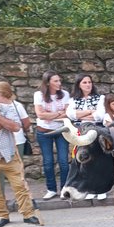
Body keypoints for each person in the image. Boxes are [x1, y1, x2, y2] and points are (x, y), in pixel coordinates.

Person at [0, 84, 41, 227]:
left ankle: (28, 214)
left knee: (20, 186)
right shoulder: (5, 112)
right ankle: (2, 215)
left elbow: (16, 127)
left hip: (10, 155)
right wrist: (3, 122)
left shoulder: (7, 108)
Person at [66, 74, 106, 200]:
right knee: (84, 161)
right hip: (80, 133)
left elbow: (99, 116)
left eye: (89, 82)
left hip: (96, 131)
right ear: (79, 84)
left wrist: (80, 115)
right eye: (85, 82)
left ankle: (101, 189)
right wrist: (90, 112)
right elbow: (71, 115)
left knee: (99, 160)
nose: (88, 84)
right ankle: (89, 188)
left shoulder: (100, 98)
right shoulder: (73, 100)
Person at [34, 70, 70, 200]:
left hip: (61, 130)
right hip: (44, 130)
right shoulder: (39, 95)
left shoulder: (64, 94)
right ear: (47, 82)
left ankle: (65, 189)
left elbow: (68, 113)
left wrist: (50, 114)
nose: (59, 83)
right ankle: (51, 189)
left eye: (59, 80)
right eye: (55, 81)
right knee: (48, 162)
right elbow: (40, 115)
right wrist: (58, 114)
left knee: (63, 161)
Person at [0, 81, 31, 196]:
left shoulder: (16, 105)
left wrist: (1, 119)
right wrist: (5, 122)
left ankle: (23, 201)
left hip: (16, 142)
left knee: (17, 175)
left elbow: (25, 123)